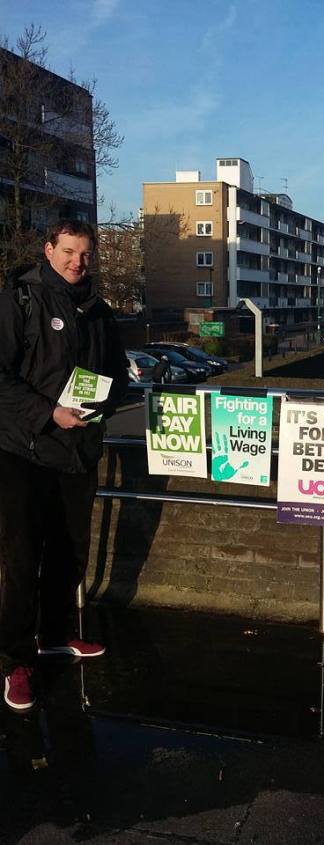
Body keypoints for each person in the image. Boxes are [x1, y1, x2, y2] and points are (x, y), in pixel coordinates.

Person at [0, 220, 129, 712]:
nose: (78, 262)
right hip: (23, 450)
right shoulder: (19, 300)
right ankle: (14, 661)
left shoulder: (98, 310)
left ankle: (54, 635)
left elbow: (117, 373)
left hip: (77, 452)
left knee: (70, 551)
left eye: (85, 254)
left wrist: (103, 404)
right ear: (49, 249)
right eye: (69, 252)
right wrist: (48, 413)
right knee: (20, 559)